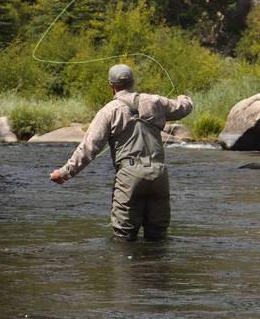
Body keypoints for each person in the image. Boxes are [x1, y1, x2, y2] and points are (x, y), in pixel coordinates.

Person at [50, 64, 193, 241]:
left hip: (129, 177)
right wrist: (184, 98)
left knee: (124, 238)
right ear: (133, 82)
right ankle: (158, 269)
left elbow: (88, 149)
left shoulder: (108, 111)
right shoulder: (155, 101)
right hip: (159, 175)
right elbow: (184, 108)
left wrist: (63, 174)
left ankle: (127, 268)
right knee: (158, 238)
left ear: (111, 85)